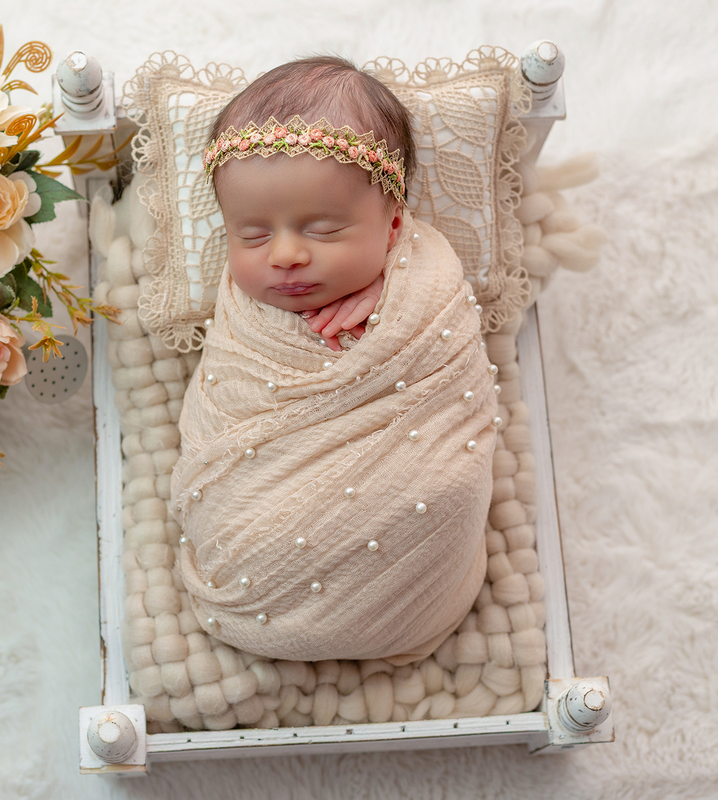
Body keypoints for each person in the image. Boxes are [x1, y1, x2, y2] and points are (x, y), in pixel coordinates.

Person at [170, 57, 499, 665]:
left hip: (410, 515)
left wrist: (395, 292)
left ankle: (399, 598)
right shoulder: (246, 310)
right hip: (256, 531)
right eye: (253, 235)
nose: (287, 255)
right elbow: (230, 394)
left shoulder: (422, 273)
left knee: (443, 484)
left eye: (323, 230)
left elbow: (437, 316)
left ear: (393, 226)